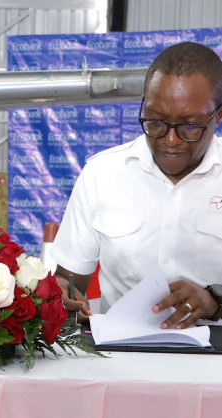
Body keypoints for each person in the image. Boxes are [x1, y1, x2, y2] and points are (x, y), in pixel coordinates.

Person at [51, 41, 222, 330]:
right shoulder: (102, 173)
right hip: (117, 351)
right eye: (156, 122)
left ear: (218, 116)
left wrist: (215, 302)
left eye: (189, 126)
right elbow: (68, 280)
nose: (170, 140)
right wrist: (62, 293)